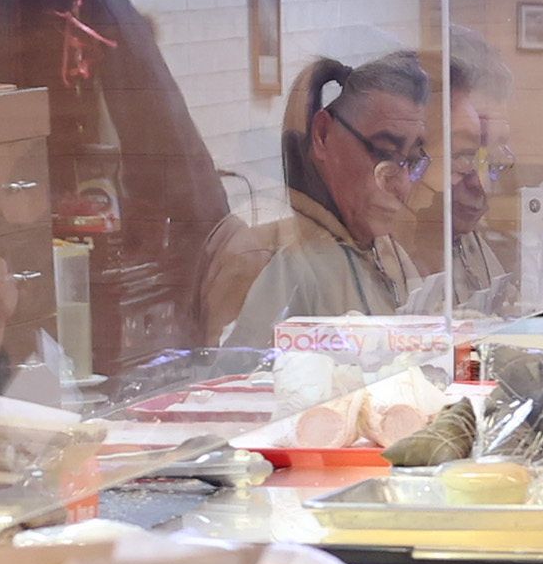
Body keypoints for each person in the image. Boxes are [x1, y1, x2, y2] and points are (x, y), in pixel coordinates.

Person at [208, 35, 515, 341]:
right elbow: (233, 378)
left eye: (411, 160)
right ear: (323, 134)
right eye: (383, 152)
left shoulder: (383, 251)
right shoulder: (276, 258)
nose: (402, 184)